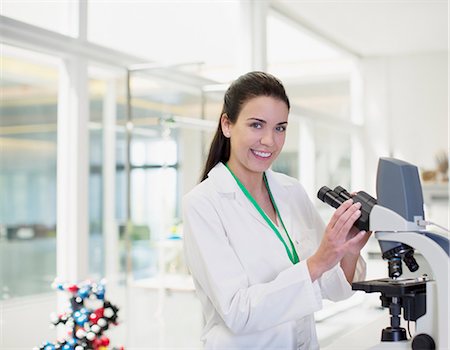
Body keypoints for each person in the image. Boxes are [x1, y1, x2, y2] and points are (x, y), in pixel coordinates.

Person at [182, 71, 370, 349]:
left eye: (280, 128)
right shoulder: (203, 203)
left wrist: (348, 249)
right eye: (257, 125)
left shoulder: (291, 191)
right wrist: (317, 262)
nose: (270, 141)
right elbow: (237, 311)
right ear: (227, 125)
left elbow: (335, 289)